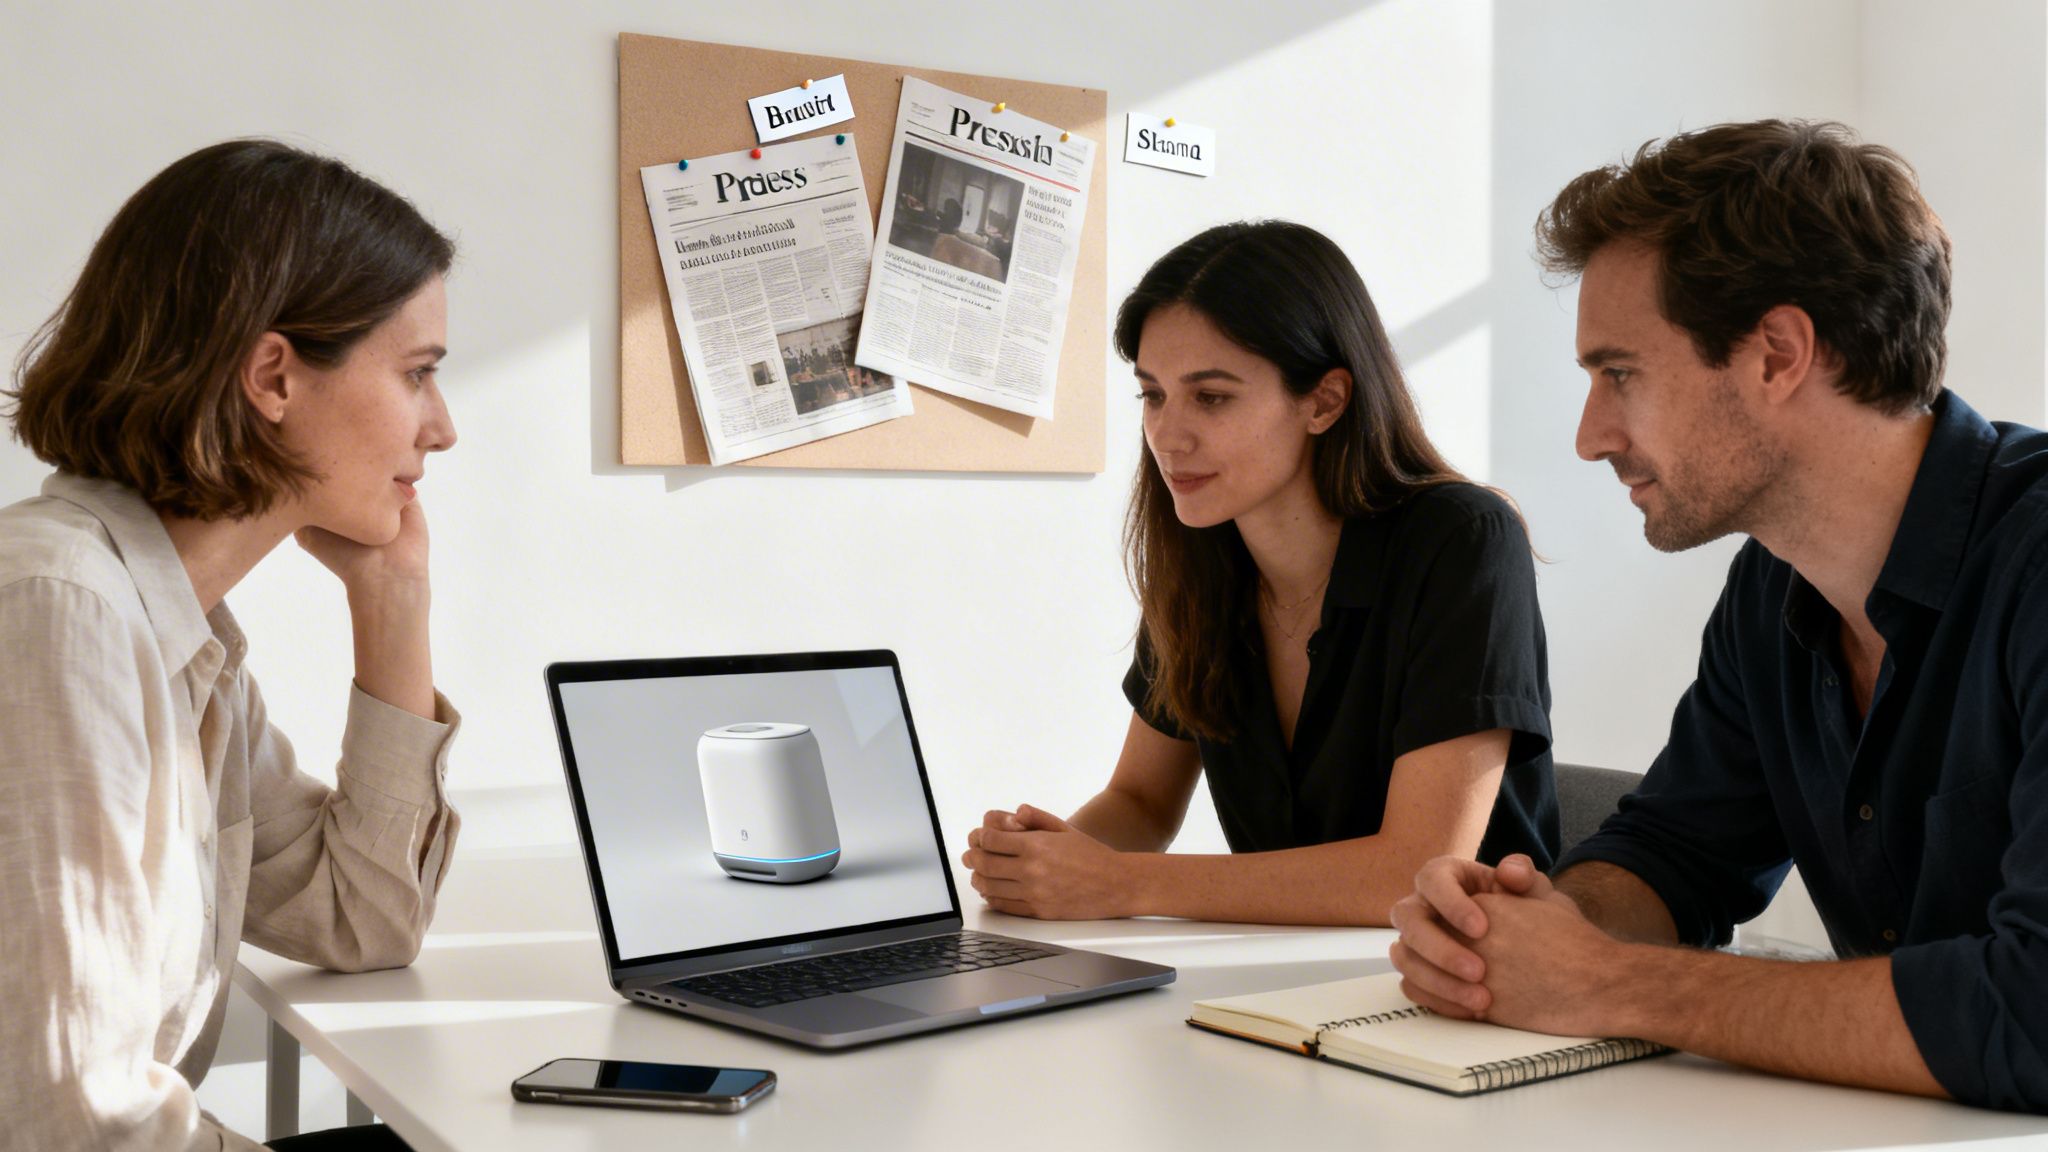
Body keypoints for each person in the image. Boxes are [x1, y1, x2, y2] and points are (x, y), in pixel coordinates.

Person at [1390, 118, 2048, 1114]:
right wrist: (1529, 931)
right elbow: (1677, 855)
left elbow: (2034, 1014)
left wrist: (1608, 985)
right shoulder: (1772, 587)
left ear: (1776, 354)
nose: (1588, 436)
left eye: (1619, 373)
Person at [0, 139, 462, 1149]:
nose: (442, 428)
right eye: (418, 374)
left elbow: (359, 921)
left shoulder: (181, 636)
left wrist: (394, 603)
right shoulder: (58, 613)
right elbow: (76, 1124)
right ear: (272, 376)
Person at [961, 221, 1556, 925]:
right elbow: (1142, 803)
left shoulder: (1462, 541)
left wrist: (1122, 884)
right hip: (1279, 983)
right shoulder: (1204, 557)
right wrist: (1041, 869)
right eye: (1152, 395)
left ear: (1325, 401)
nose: (1168, 435)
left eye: (1211, 397)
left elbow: (1413, 872)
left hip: (1473, 992)